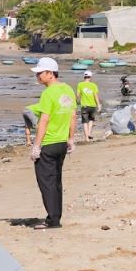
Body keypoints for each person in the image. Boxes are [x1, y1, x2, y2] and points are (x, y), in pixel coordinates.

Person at [24, 58, 76, 230]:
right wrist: (71, 138)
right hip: (61, 143)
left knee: (46, 182)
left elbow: (44, 121)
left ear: (51, 73)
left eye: (40, 73)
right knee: (56, 181)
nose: (38, 76)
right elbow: (73, 115)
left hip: (48, 143)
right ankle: (55, 216)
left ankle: (52, 220)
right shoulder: (68, 89)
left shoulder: (48, 93)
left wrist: (36, 146)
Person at [75, 70, 102, 143]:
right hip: (93, 106)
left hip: (84, 106)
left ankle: (86, 138)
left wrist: (74, 102)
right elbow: (96, 96)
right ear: (90, 77)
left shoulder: (80, 84)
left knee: (84, 122)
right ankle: (89, 133)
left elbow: (77, 95)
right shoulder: (93, 85)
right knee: (91, 120)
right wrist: (98, 104)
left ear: (84, 76)